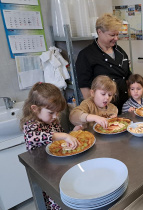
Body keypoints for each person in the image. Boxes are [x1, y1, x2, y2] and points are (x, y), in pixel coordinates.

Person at [20, 82, 80, 210]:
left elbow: (59, 141)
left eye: (57, 112)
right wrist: (63, 136)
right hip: (45, 174)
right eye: (51, 113)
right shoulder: (30, 124)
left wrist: (72, 134)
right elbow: (36, 137)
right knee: (55, 201)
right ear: (35, 109)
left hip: (57, 167)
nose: (55, 116)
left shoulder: (52, 120)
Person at [75, 13, 131, 114]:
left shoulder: (120, 52)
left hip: (126, 106)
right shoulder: (86, 55)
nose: (116, 38)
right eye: (112, 35)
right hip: (103, 112)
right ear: (99, 32)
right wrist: (97, 113)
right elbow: (85, 89)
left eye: (117, 34)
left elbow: (128, 77)